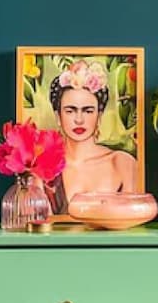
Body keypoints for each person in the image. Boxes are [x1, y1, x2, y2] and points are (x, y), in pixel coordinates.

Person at [43, 60, 136, 213]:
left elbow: (132, 220)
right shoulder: (45, 167)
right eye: (70, 110)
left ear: (99, 116)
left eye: (87, 111)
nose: (79, 119)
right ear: (58, 116)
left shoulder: (122, 163)